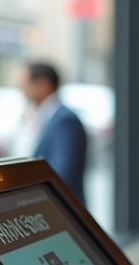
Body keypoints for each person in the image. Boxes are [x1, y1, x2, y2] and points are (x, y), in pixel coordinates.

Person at [18, 62, 87, 201]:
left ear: (43, 84)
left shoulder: (64, 121)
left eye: (24, 84)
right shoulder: (46, 116)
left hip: (64, 211)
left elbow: (61, 175)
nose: (21, 89)